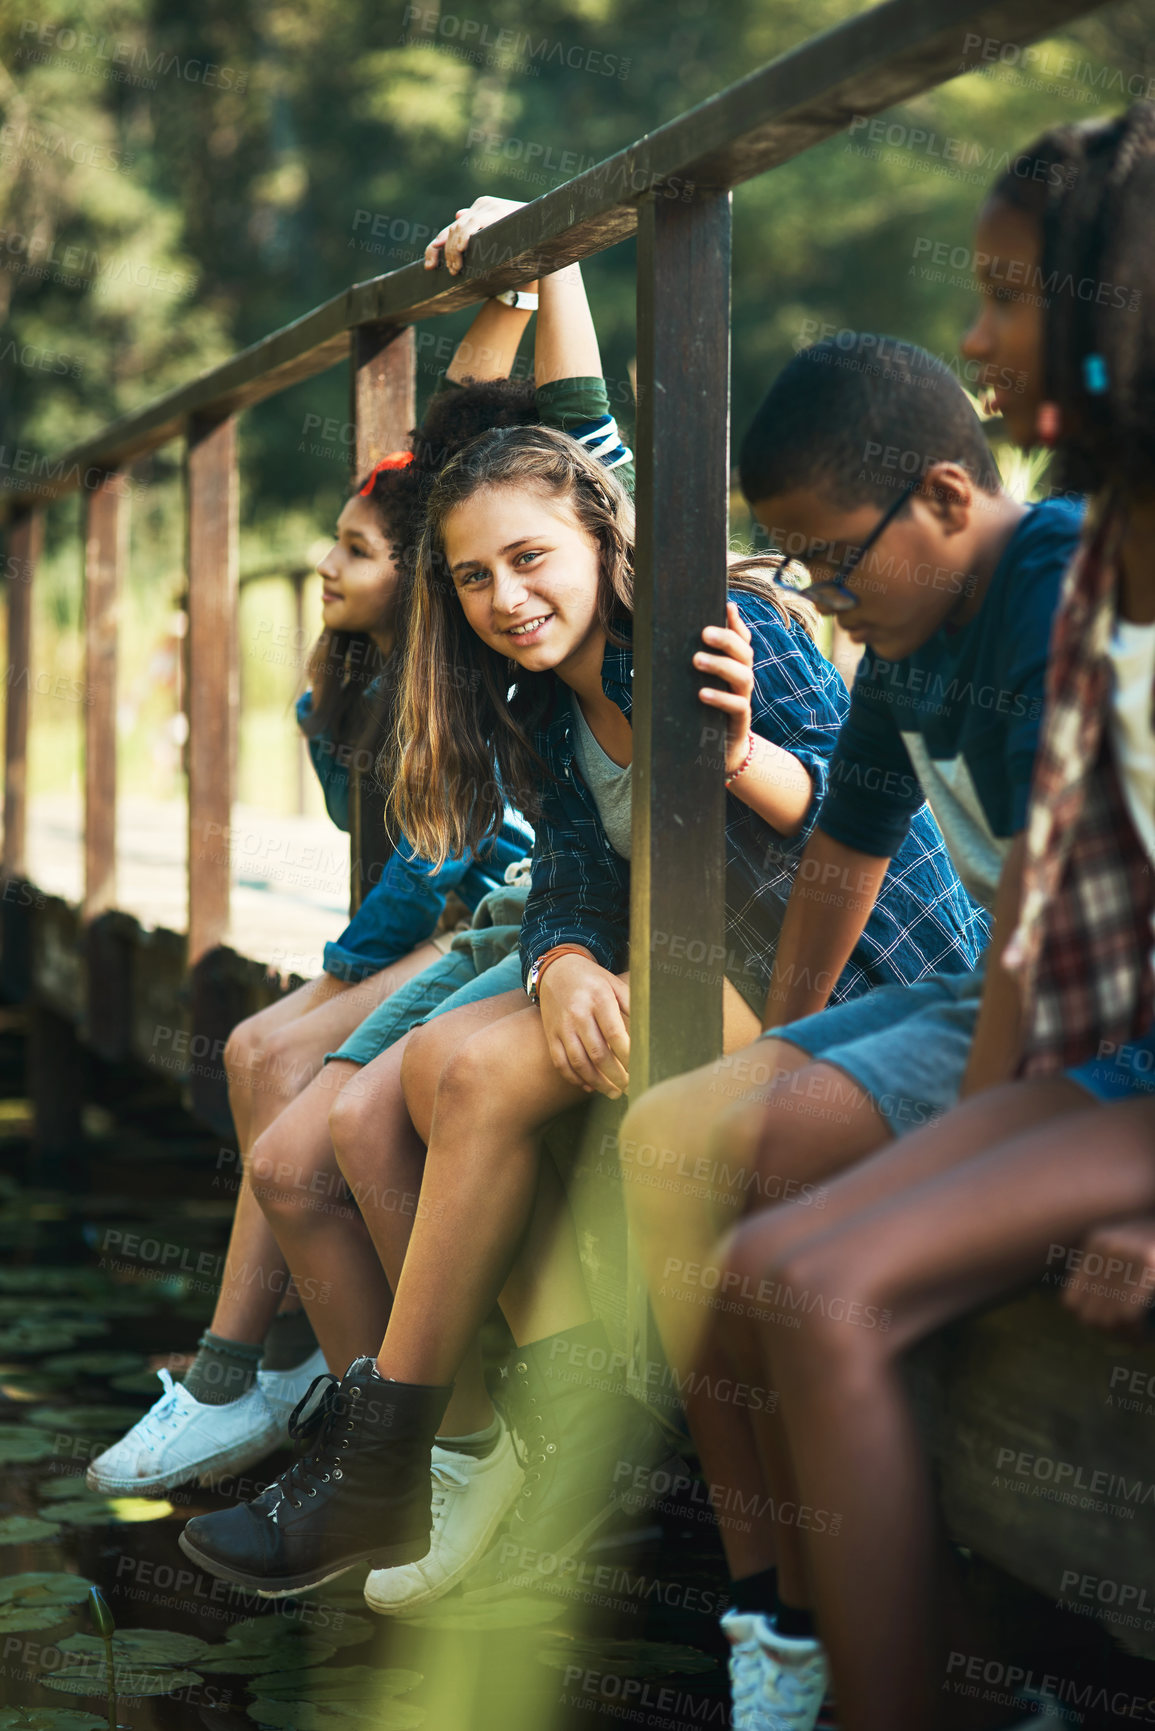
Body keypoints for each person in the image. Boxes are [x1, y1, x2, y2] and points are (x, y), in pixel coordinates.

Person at [175, 418, 984, 1601]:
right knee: (440, 1065)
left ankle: (385, 1460)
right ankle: (516, 1429)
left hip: (861, 978)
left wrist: (738, 755)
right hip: (698, 967)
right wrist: (560, 966)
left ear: (603, 537)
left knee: (488, 1076)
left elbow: (861, 823)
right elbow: (573, 875)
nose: (506, 596)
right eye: (472, 577)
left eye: (530, 557)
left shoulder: (729, 622)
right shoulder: (544, 705)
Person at [709, 104, 1155, 1731]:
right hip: (1093, 1064)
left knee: (813, 1274)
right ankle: (845, 1644)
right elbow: (1011, 901)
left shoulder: (1062, 586)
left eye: (1010, 292)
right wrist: (974, 1152)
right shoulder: (1103, 565)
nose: (973, 334)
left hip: (1127, 1078)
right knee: (757, 1239)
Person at [613, 324, 1083, 1725]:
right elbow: (843, 851)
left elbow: (1051, 903)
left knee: (777, 1196)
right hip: (987, 991)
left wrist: (981, 1138)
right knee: (664, 1136)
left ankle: (942, 1665)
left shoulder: (1043, 591)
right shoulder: (906, 632)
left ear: (943, 497)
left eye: (830, 556)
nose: (816, 593)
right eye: (794, 564)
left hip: (1072, 1006)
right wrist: (783, 1039)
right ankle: (777, 1603)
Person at [86, 197, 547, 1497]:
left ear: (419, 569)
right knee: (251, 1042)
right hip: (434, 924)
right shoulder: (373, 673)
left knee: (281, 1053)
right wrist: (323, 698)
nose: (324, 559)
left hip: (475, 924)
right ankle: (278, 1370)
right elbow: (371, 829)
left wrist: (514, 294)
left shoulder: (458, 654)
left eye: (351, 549)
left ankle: (274, 1379)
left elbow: (431, 863)